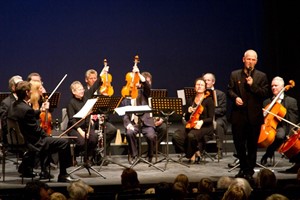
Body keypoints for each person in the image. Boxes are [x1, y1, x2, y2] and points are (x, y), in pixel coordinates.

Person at [8, 81, 78, 182]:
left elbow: (28, 117)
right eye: (31, 91)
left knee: (52, 140)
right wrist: (48, 136)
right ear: (27, 92)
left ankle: (39, 171)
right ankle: (63, 174)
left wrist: (40, 111)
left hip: (20, 141)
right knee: (64, 142)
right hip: (34, 143)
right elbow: (36, 130)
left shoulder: (13, 106)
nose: (32, 93)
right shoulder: (27, 109)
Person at [227, 49, 269, 181]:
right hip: (238, 116)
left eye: (253, 59)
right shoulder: (235, 74)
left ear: (256, 61)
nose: (250, 62)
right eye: (248, 59)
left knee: (251, 145)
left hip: (254, 117)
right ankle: (243, 168)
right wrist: (235, 98)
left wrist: (253, 85)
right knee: (239, 144)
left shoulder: (261, 76)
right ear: (243, 59)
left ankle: (249, 171)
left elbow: (264, 93)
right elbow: (229, 90)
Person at [66, 66, 108, 164]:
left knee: (93, 139)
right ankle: (74, 155)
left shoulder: (86, 96)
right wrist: (82, 132)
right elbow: (72, 120)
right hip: (75, 128)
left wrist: (102, 73)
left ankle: (87, 158)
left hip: (86, 125)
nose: (82, 91)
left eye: (82, 89)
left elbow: (95, 86)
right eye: (79, 90)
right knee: (82, 142)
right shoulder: (71, 103)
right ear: (73, 92)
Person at [120, 64, 157, 164]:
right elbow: (125, 115)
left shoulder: (144, 93)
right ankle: (134, 155)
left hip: (146, 123)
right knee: (129, 133)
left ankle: (150, 155)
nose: (133, 84)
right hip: (134, 124)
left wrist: (138, 74)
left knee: (151, 136)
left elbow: (147, 87)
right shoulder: (126, 96)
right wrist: (128, 124)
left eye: (135, 81)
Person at [173, 77, 215, 163]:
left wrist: (201, 121)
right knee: (176, 136)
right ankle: (195, 151)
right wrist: (188, 112)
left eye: (202, 85)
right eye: (198, 85)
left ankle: (190, 155)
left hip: (205, 126)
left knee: (191, 136)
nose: (199, 86)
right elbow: (187, 119)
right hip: (192, 126)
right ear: (195, 87)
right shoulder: (190, 100)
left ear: (205, 88)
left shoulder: (209, 100)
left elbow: (211, 118)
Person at [260, 76, 298, 167]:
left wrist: (290, 134)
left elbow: (293, 119)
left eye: (276, 86)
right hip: (269, 126)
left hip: (283, 126)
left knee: (280, 135)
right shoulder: (267, 102)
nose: (273, 88)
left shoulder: (290, 101)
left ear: (282, 87)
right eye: (272, 86)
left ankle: (268, 153)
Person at [83, 68, 118, 166]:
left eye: (95, 78)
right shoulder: (84, 92)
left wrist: (104, 116)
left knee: (112, 130)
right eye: (91, 78)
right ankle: (90, 156)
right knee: (93, 135)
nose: (94, 80)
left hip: (100, 120)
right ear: (86, 80)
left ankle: (102, 154)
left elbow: (106, 109)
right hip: (89, 121)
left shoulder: (101, 92)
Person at [203, 72, 227, 159]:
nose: (206, 82)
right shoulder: (199, 94)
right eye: (204, 80)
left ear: (213, 82)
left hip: (218, 118)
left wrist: (209, 112)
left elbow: (222, 109)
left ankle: (219, 150)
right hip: (204, 118)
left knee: (217, 124)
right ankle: (197, 150)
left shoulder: (220, 94)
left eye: (208, 80)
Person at [141, 71, 168, 147]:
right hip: (144, 122)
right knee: (149, 132)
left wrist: (161, 119)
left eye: (149, 82)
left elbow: (164, 111)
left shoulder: (157, 94)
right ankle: (152, 150)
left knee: (164, 128)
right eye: (146, 82)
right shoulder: (139, 95)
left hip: (155, 121)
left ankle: (153, 148)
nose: (148, 84)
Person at [0, 75, 23, 144]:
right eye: (20, 85)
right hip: (14, 139)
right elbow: (5, 125)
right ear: (13, 87)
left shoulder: (24, 100)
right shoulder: (6, 103)